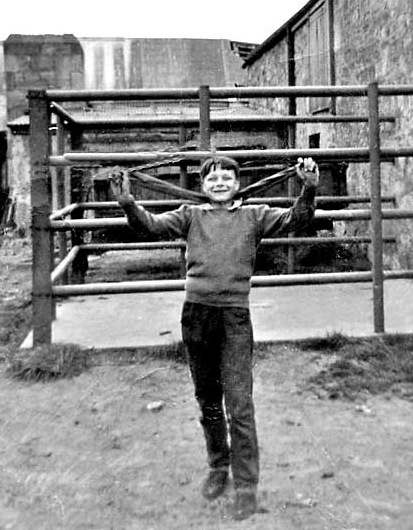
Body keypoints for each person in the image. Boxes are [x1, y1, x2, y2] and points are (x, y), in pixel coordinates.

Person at [110, 155, 319, 521]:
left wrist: (309, 189)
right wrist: (128, 203)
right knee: (207, 399)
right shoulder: (190, 216)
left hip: (235, 318)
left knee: (239, 404)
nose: (219, 183)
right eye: (212, 178)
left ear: (237, 184)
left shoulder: (255, 216)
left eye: (227, 177)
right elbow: (150, 227)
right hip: (196, 316)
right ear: (203, 185)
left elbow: (296, 220)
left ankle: (246, 486)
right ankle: (218, 467)